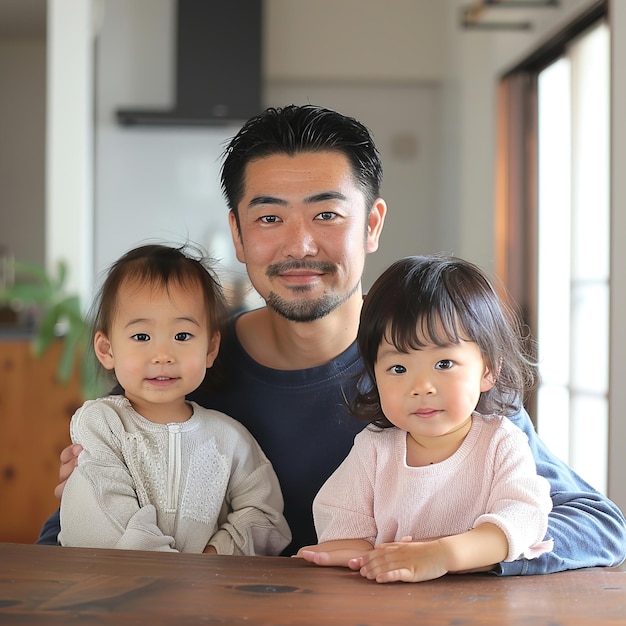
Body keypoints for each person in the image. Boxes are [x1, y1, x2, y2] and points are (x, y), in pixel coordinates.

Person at [39, 104, 625, 574]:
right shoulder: (182, 363)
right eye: (269, 218)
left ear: (371, 225)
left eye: (326, 215)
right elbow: (69, 538)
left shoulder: (437, 364)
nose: (299, 245)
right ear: (238, 237)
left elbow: (597, 525)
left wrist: (447, 551)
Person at [297, 255, 553, 582]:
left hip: (479, 602)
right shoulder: (374, 449)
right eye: (398, 369)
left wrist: (444, 554)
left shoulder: (501, 442)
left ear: (488, 369)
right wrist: (357, 553)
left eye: (444, 364)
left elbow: (525, 517)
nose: (421, 388)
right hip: (390, 599)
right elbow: (343, 522)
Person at [57, 243, 291, 555]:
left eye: (182, 336)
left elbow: (265, 516)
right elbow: (101, 510)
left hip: (204, 594)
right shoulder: (101, 424)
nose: (163, 355)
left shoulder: (230, 438)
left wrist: (215, 556)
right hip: (111, 588)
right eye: (142, 337)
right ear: (107, 350)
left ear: (210, 348)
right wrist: (168, 570)